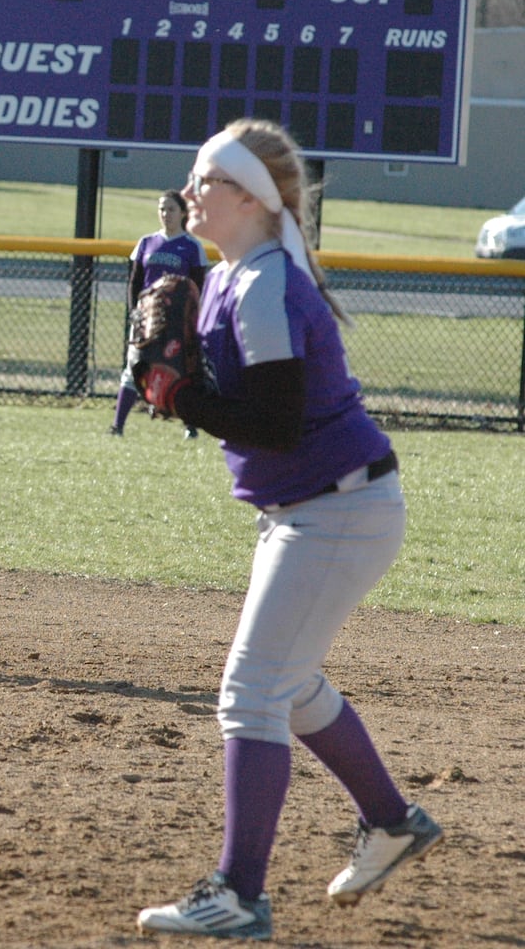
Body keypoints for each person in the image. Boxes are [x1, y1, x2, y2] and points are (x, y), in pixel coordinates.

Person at [133, 120, 442, 940]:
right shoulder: (242, 274)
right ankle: (392, 822)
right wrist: (183, 387)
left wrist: (178, 396)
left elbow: (271, 422)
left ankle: (238, 895)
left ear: (249, 198)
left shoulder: (267, 281)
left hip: (335, 510)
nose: (192, 192)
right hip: (322, 507)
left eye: (208, 180)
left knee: (251, 692)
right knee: (289, 682)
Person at [109, 190, 208, 439]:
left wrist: (193, 320)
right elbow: (135, 281)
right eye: (162, 209)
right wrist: (135, 311)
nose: (165, 214)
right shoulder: (146, 243)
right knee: (135, 367)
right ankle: (117, 426)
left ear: (183, 213)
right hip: (147, 319)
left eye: (171, 209)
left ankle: (190, 426)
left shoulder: (192, 247)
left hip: (177, 321)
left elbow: (198, 289)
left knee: (181, 370)